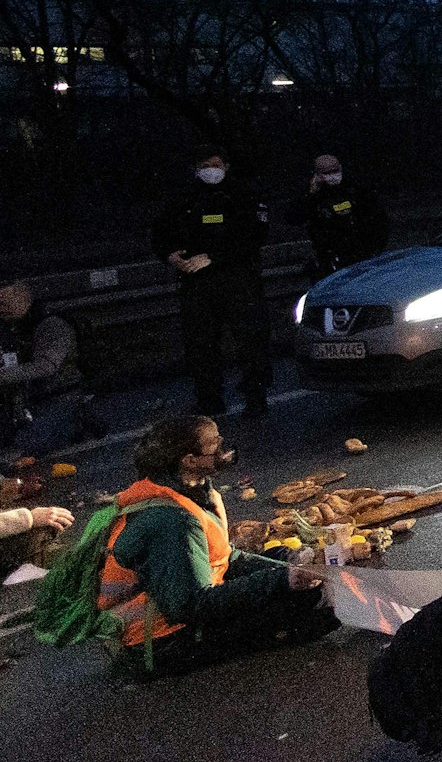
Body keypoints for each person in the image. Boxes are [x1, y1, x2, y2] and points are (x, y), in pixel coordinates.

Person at [96, 415, 334, 675]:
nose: (222, 446)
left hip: (184, 605)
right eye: (213, 443)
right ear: (189, 461)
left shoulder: (191, 492)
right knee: (312, 606)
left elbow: (224, 558)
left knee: (285, 561)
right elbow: (190, 605)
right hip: (158, 641)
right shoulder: (171, 520)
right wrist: (281, 580)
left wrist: (286, 564)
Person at [153, 151, 273, 417]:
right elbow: (160, 233)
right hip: (196, 282)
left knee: (249, 340)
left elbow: (255, 235)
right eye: (204, 166)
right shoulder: (184, 198)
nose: (210, 170)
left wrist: (215, 257)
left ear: (226, 166)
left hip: (238, 279)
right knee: (200, 343)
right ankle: (209, 398)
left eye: (215, 165)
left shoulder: (243, 195)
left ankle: (255, 396)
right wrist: (170, 255)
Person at [0, 281, 94, 457]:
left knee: (27, 445)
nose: (1, 308)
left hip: (61, 396)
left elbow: (46, 367)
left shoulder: (52, 324)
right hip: (32, 399)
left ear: (23, 298)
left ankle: (79, 420)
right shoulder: (16, 326)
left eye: (5, 303)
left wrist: (3, 376)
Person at [287, 154, 389, 278]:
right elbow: (293, 217)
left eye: (334, 171)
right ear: (317, 174)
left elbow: (379, 218)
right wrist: (311, 194)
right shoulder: (312, 194)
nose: (332, 176)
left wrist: (374, 247)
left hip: (361, 253)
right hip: (330, 258)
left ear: (340, 168)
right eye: (326, 173)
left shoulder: (354, 189)